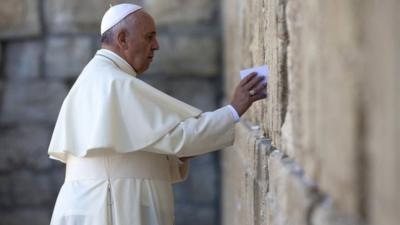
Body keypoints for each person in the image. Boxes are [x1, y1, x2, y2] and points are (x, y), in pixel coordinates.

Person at [48, 3, 267, 225]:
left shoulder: (98, 77)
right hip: (114, 205)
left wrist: (180, 152)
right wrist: (233, 110)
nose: (156, 46)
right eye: (149, 37)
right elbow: (178, 137)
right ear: (122, 39)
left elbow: (155, 143)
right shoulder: (114, 83)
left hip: (97, 202)